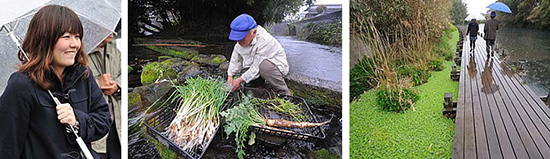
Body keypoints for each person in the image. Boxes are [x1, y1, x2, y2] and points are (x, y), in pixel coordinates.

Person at [0, 5, 110, 158]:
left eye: (77, 36)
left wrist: (77, 120)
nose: (75, 44)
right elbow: (7, 147)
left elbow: (104, 121)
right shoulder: (21, 85)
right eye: (66, 36)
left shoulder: (83, 75)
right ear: (44, 39)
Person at [227, 14, 291, 95]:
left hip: (274, 66)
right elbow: (235, 59)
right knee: (248, 67)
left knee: (264, 66)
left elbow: (256, 66)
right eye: (237, 39)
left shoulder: (265, 40)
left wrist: (239, 80)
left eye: (242, 38)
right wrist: (230, 75)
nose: (239, 42)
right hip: (257, 65)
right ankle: (258, 82)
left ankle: (284, 93)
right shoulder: (241, 42)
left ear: (254, 33)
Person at [89, 33, 121, 159]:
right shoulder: (82, 52)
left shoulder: (115, 51)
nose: (113, 33)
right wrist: (98, 83)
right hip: (95, 120)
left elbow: (122, 73)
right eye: (107, 30)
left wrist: (116, 85)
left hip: (115, 118)